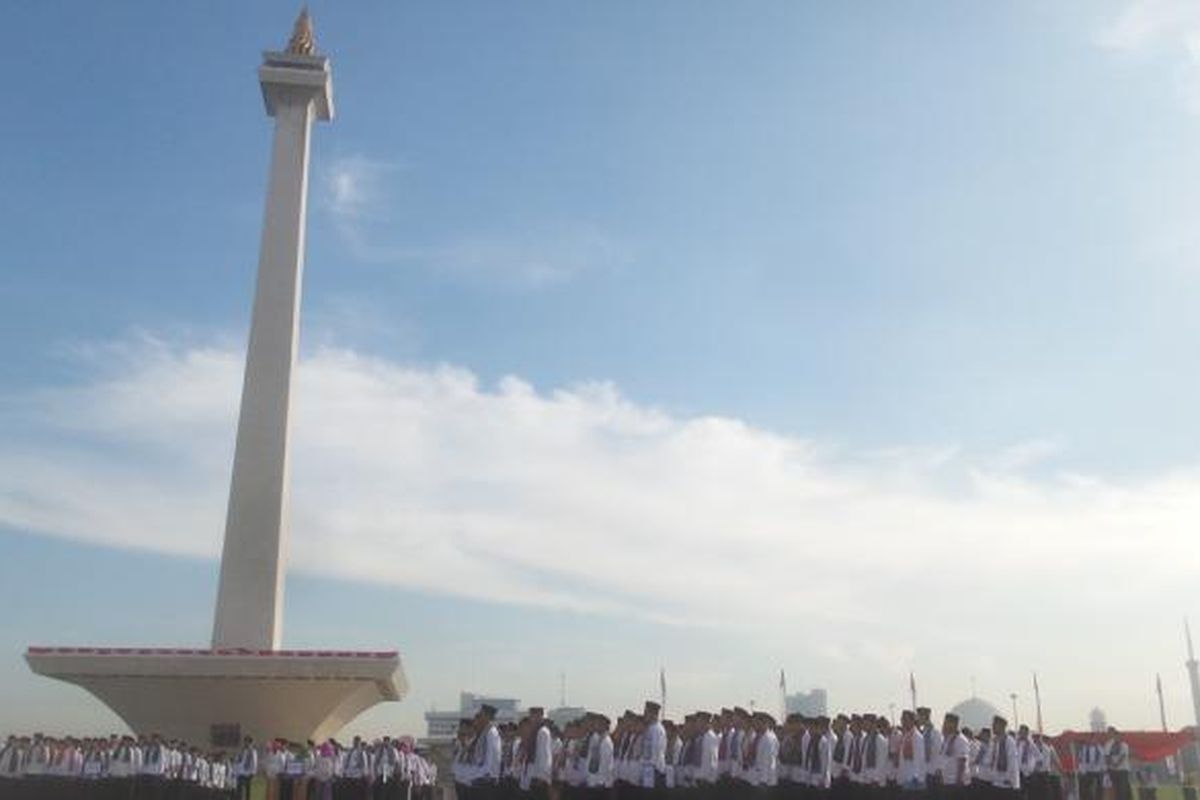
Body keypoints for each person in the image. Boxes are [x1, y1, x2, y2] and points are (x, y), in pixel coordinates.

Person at [938, 714, 969, 800]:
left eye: (946, 722)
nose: (944, 724)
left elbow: (962, 761)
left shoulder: (960, 739)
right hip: (946, 780)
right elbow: (944, 758)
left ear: (953, 724)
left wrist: (958, 780)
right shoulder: (947, 739)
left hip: (955, 782)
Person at [989, 718, 1019, 798]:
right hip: (995, 780)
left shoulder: (1009, 741)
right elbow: (991, 759)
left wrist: (1008, 777)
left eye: (995, 725)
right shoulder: (994, 741)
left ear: (1002, 726)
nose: (993, 727)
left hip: (1006, 782)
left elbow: (1012, 762)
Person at [1106, 729, 1132, 800]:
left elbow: (1123, 756)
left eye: (1118, 736)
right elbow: (1107, 755)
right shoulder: (1109, 744)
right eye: (1115, 736)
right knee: (1116, 788)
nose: (1116, 738)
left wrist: (1117, 764)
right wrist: (1112, 764)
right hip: (1112, 770)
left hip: (1123, 770)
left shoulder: (1124, 745)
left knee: (1122, 788)